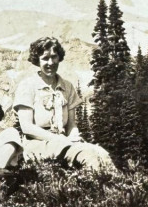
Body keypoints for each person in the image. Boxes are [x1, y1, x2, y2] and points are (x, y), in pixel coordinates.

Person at [14, 36, 116, 171]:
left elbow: (71, 124)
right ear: (37, 60)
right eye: (45, 58)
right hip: (38, 143)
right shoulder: (27, 85)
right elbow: (27, 127)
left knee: (102, 153)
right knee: (88, 155)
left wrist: (74, 136)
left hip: (63, 141)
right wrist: (58, 139)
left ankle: (112, 184)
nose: (50, 62)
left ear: (59, 57)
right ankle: (96, 183)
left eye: (54, 57)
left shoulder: (67, 86)